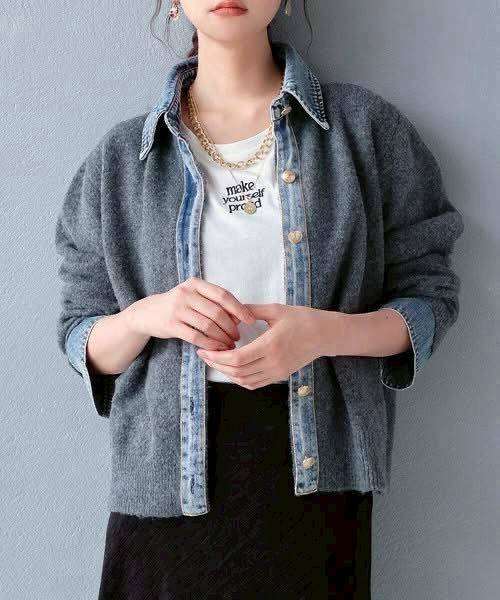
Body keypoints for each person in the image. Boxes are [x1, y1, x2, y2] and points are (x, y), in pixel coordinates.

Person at [54, 1, 464, 598]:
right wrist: (148, 315)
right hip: (165, 490)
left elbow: (430, 298)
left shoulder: (365, 131)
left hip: (316, 481)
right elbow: (79, 335)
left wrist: (322, 334)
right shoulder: (121, 161)